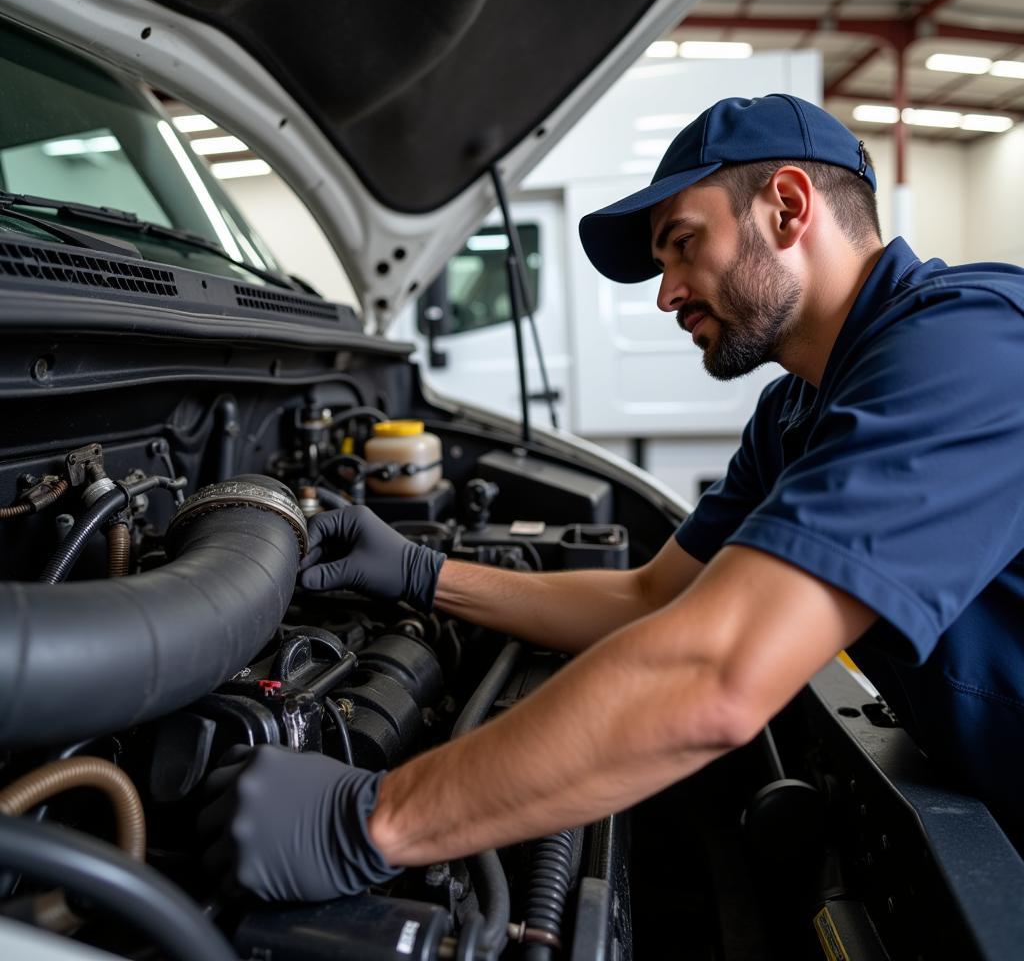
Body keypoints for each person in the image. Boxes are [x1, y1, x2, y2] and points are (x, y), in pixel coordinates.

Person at [200, 94, 1024, 902]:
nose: (666, 294)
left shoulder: (967, 346)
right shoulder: (793, 415)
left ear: (787, 205)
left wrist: (378, 822)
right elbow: (651, 597)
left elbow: (717, 670)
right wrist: (424, 574)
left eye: (682, 244)